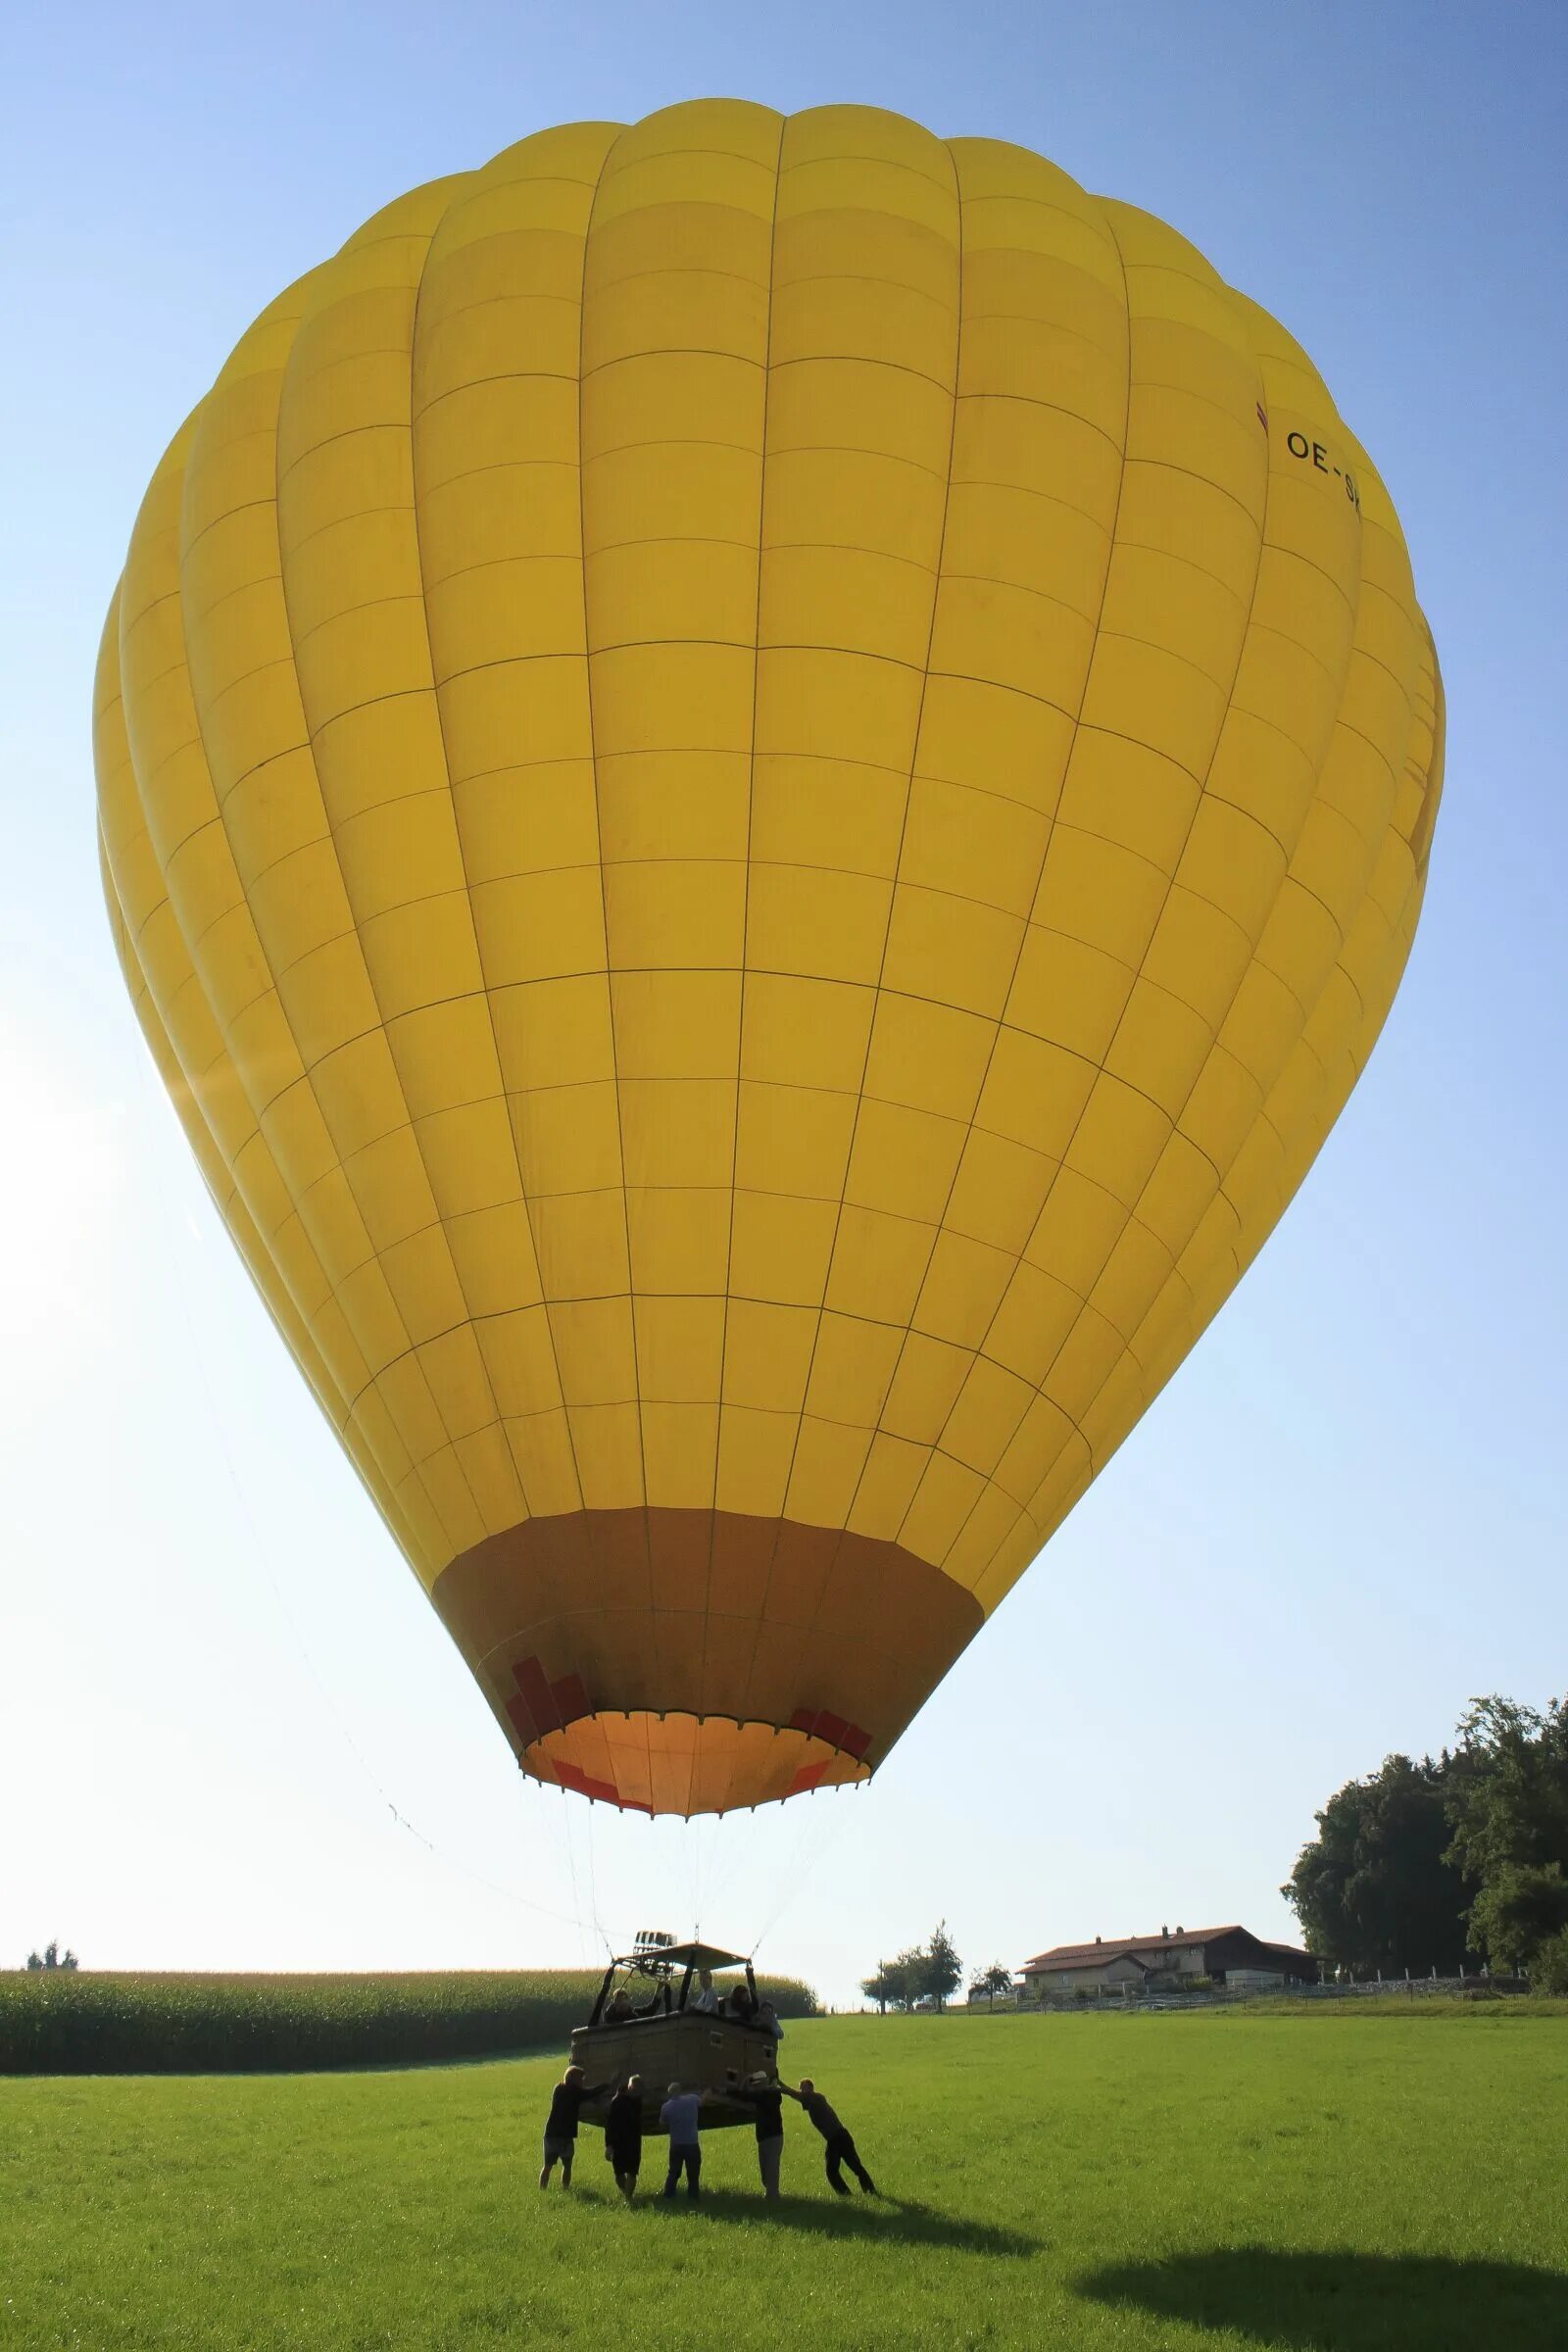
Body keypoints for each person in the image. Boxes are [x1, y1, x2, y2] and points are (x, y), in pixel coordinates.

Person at [783, 2078, 878, 2196]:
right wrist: (779, 2084)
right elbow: (794, 2094)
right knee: (842, 2169)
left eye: (803, 2088)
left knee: (846, 2168)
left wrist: (778, 2086)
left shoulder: (816, 2098)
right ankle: (856, 2194)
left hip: (839, 2137)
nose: (801, 2091)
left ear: (811, 2088)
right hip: (837, 2138)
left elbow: (793, 2093)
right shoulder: (812, 2099)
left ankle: (858, 2193)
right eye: (800, 2088)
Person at [539, 2064, 603, 2189]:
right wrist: (610, 2083)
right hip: (563, 2136)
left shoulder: (558, 2089)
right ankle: (565, 2189)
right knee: (566, 2165)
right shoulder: (575, 2092)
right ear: (574, 2079)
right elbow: (592, 2092)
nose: (582, 2082)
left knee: (548, 2166)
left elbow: (586, 2094)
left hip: (551, 2133)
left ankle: (543, 2189)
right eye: (581, 2079)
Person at [738, 2070, 786, 2200]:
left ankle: (773, 2197)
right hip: (767, 2137)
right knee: (767, 2169)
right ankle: (770, 2194)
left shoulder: (764, 2095)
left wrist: (745, 2081)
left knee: (771, 2169)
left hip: (772, 2137)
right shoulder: (772, 2094)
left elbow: (742, 2094)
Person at [658, 2081, 710, 2200]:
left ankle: (668, 2195)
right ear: (680, 2091)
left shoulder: (666, 2107)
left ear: (669, 2094)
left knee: (674, 2171)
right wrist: (707, 2092)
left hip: (676, 2144)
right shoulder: (692, 2099)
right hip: (692, 2143)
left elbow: (661, 2123)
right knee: (693, 2172)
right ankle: (693, 2197)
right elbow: (703, 2102)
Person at [603, 2073, 643, 2201]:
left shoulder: (637, 2100)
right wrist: (608, 2145)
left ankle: (628, 2199)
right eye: (634, 2088)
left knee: (632, 2171)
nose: (636, 2091)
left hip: (634, 2141)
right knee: (619, 2173)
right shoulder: (617, 2101)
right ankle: (627, 2194)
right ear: (629, 2087)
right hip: (618, 2142)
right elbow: (609, 2125)